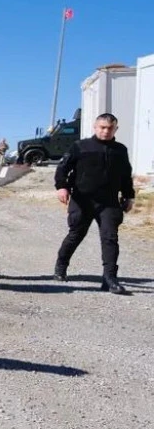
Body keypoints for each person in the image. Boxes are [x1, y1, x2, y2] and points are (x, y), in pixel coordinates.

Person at [54, 113, 135, 294]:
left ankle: (110, 278)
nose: (106, 131)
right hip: (82, 200)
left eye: (110, 128)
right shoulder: (80, 146)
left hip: (109, 202)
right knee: (76, 234)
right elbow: (62, 168)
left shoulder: (120, 150)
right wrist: (62, 187)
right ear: (95, 127)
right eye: (102, 127)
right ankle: (61, 265)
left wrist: (129, 196)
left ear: (116, 129)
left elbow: (125, 175)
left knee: (110, 238)